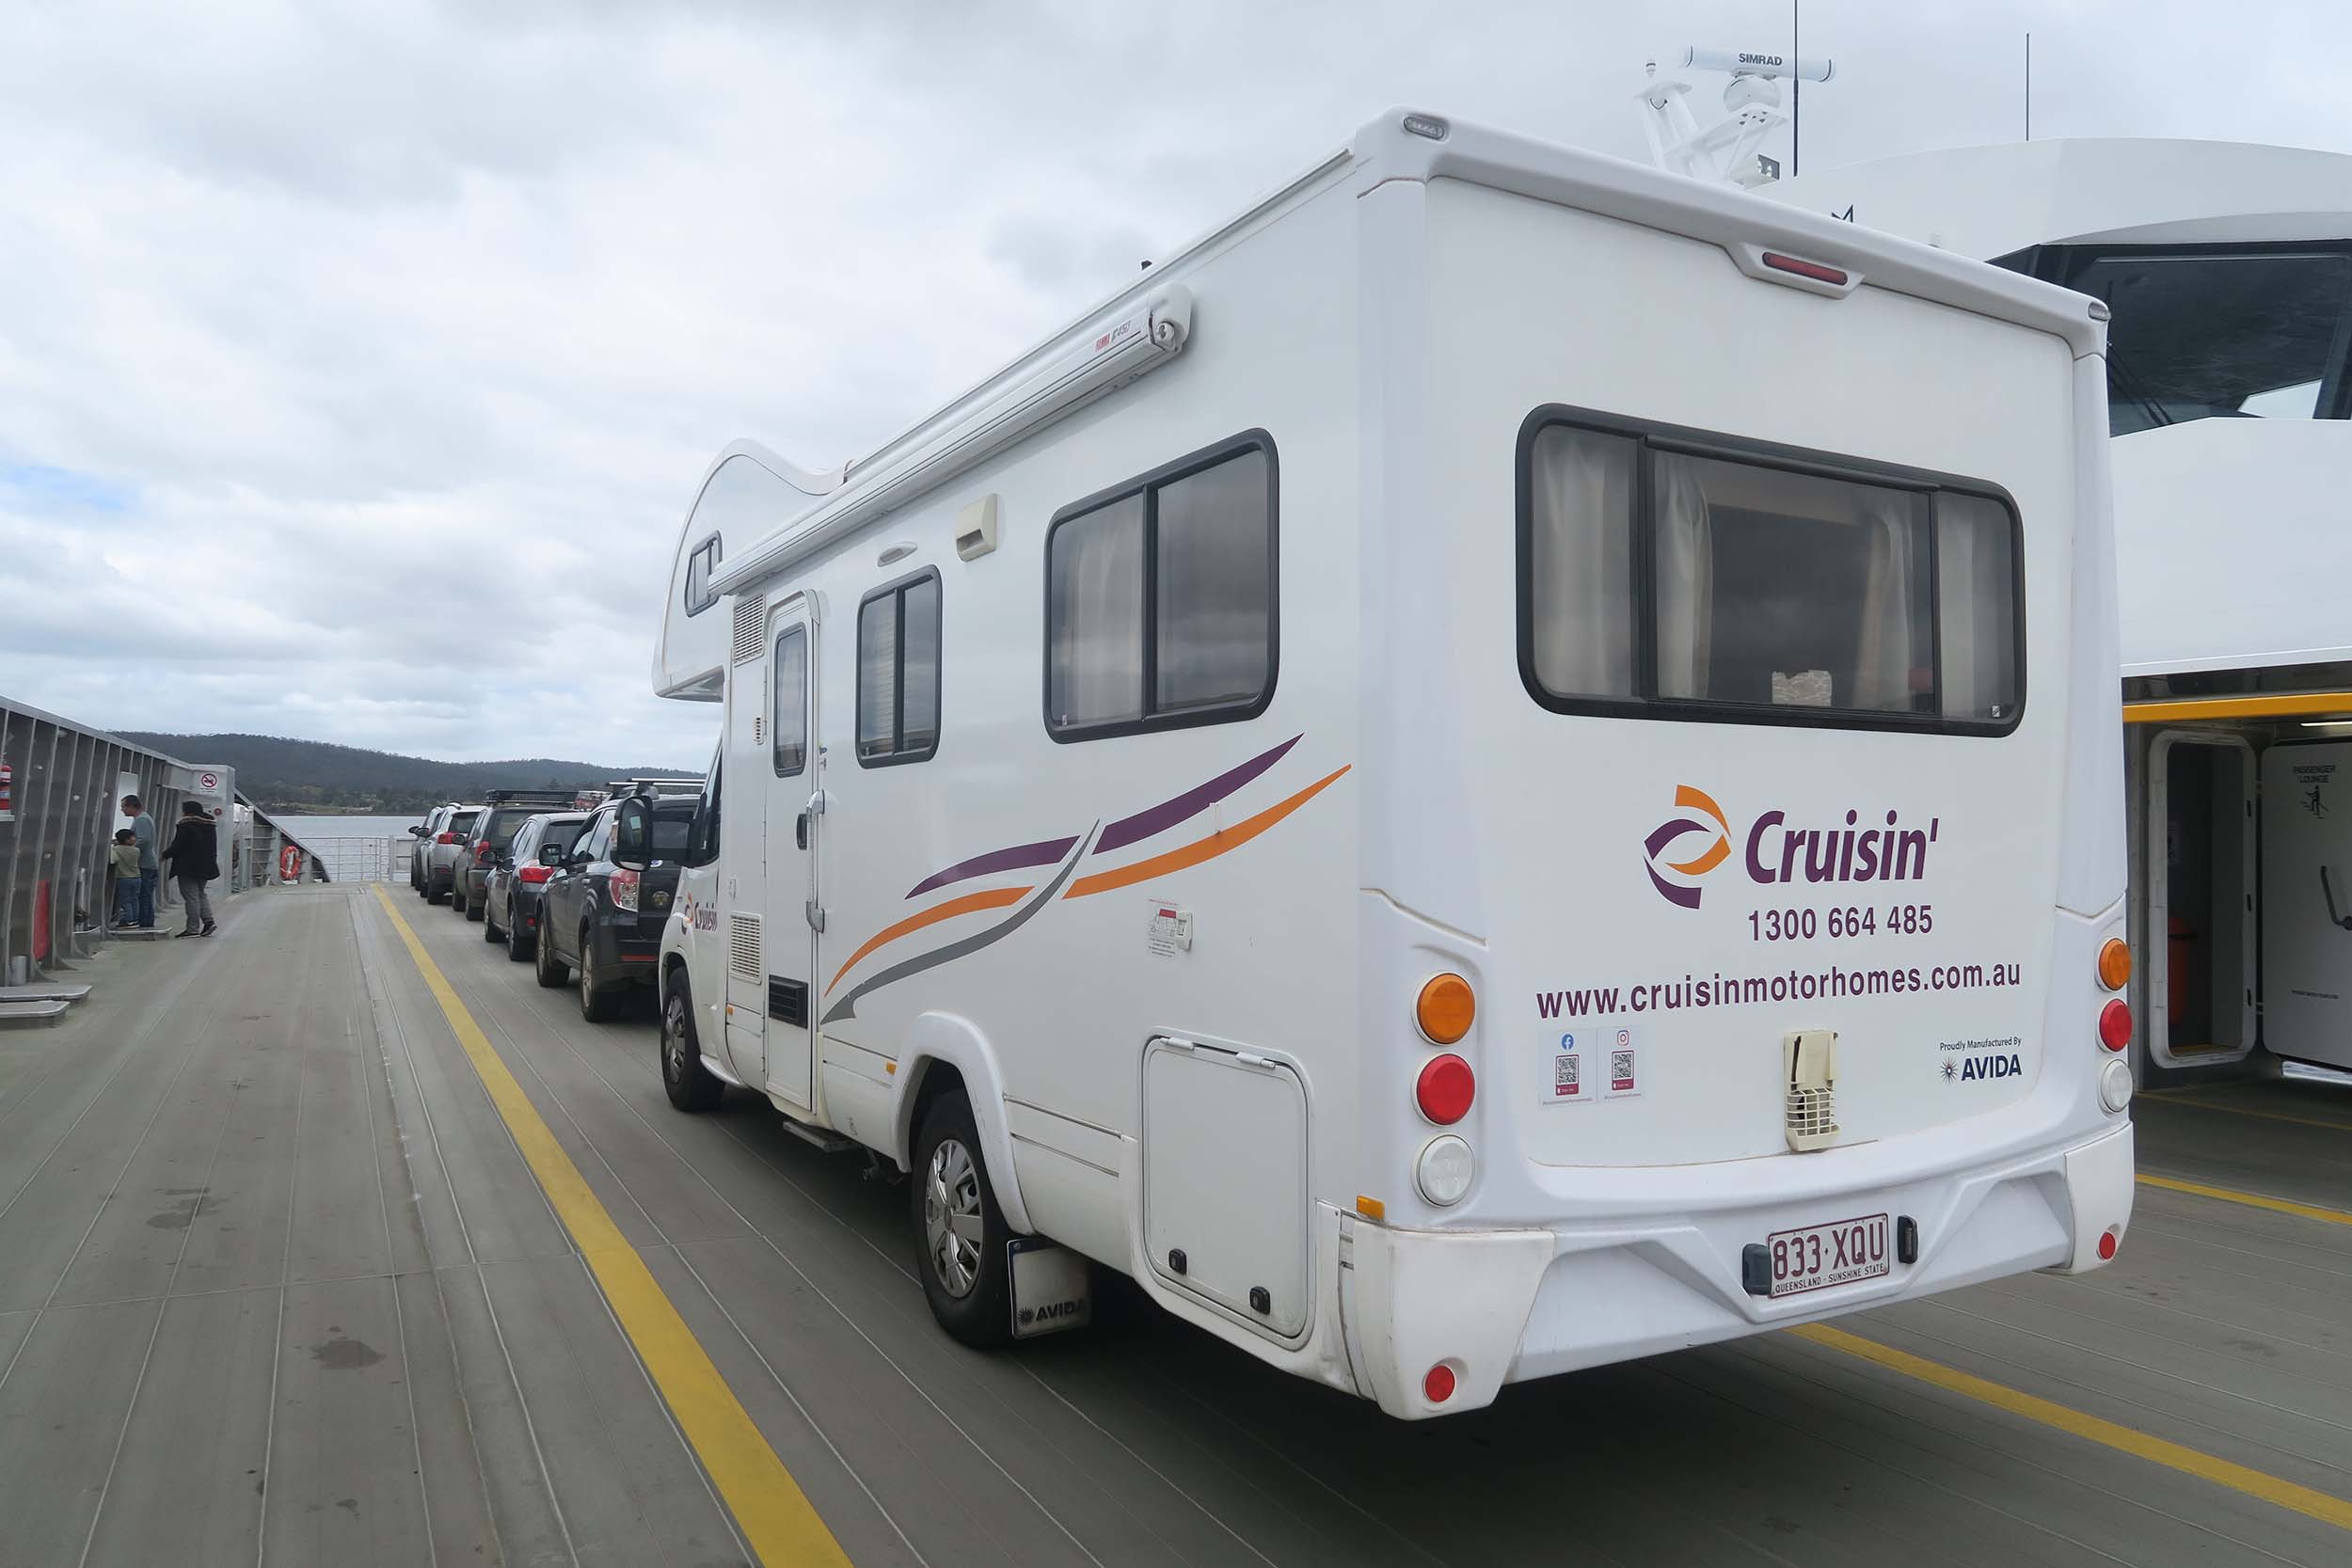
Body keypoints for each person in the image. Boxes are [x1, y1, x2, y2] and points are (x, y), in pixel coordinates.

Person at [158, 800, 220, 938]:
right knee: (200, 894)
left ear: (188, 812)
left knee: (191, 897)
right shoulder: (210, 826)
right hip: (206, 866)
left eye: (183, 810)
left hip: (187, 866)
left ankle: (192, 929)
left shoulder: (186, 825)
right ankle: (209, 922)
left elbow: (177, 845)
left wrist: (164, 855)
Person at [121, 794, 159, 929]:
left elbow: (144, 839)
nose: (122, 810)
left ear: (132, 806)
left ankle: (145, 922)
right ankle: (146, 921)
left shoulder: (141, 820)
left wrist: (129, 851)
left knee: (144, 894)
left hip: (144, 863)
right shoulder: (144, 818)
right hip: (149, 863)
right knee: (146, 894)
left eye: (124, 807)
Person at [108, 829, 140, 929]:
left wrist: (114, 845)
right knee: (135, 900)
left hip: (123, 878)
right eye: (133, 837)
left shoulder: (116, 849)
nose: (135, 838)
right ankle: (135, 919)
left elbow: (113, 860)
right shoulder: (136, 850)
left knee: (125, 901)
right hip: (137, 878)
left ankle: (128, 920)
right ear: (127, 840)